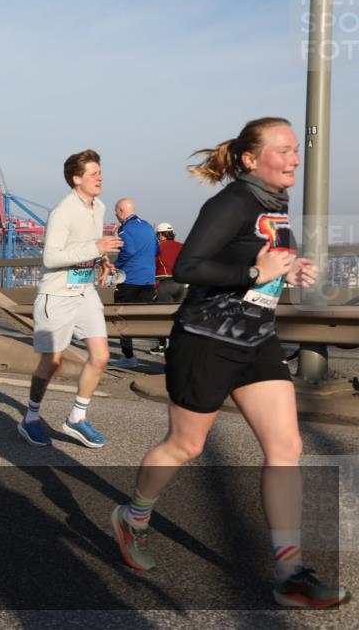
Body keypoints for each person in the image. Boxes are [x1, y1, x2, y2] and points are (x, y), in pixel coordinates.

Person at [111, 117, 349, 608]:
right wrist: (253, 270)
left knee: (286, 445)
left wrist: (288, 269)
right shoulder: (233, 201)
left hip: (256, 340)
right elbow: (187, 267)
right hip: (207, 340)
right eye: (282, 151)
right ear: (249, 159)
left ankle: (290, 575)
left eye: (294, 152)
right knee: (185, 445)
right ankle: (132, 518)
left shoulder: (274, 206)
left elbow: (263, 264)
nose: (294, 159)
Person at [19, 149, 123, 448]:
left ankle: (76, 418)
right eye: (93, 173)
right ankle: (30, 418)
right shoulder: (63, 210)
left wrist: (102, 259)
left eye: (100, 172)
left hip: (85, 291)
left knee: (101, 356)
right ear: (77, 179)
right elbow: (51, 257)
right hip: (58, 294)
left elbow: (90, 245)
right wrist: (95, 247)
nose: (99, 177)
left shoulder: (99, 206)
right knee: (52, 362)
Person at [107, 198, 158, 369]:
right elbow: (158, 250)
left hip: (130, 280)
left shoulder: (125, 228)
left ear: (121, 211)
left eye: (116, 212)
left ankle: (129, 357)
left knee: (122, 319)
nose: (116, 215)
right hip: (148, 279)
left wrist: (116, 265)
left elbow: (129, 250)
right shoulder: (148, 226)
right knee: (149, 318)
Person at [150, 222, 185, 355]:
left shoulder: (158, 247)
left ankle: (161, 347)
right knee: (179, 316)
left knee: (162, 317)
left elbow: (152, 265)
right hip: (182, 284)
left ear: (160, 234)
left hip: (165, 283)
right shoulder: (181, 246)